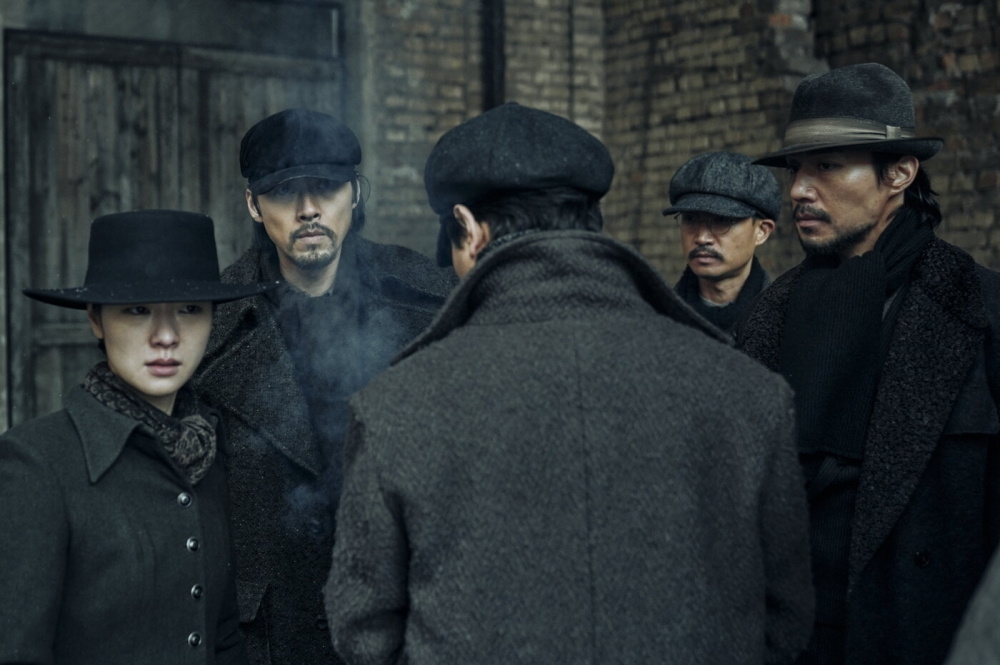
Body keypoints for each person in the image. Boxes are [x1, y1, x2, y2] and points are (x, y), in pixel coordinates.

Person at [324, 102, 813, 664]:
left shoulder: (396, 406)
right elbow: (787, 618)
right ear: (590, 220)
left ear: (468, 228)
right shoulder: (748, 391)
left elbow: (364, 633)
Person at [736, 62, 1000, 665]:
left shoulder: (979, 311)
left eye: (827, 166)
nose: (799, 190)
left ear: (899, 174)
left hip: (924, 638)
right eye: (796, 169)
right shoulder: (769, 315)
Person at [193, 108, 455, 664]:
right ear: (253, 205)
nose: (309, 209)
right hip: (269, 639)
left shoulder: (431, 300)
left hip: (400, 629)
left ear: (354, 193)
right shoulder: (208, 324)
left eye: (327, 187)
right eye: (286, 191)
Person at [0, 210, 273, 664]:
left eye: (188, 310)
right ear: (96, 319)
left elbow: (223, 638)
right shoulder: (36, 464)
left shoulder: (207, 452)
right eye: (138, 309)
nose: (166, 336)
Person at [667, 151, 779, 333]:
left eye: (721, 221)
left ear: (762, 231)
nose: (702, 238)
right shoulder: (656, 318)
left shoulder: (788, 321)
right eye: (690, 219)